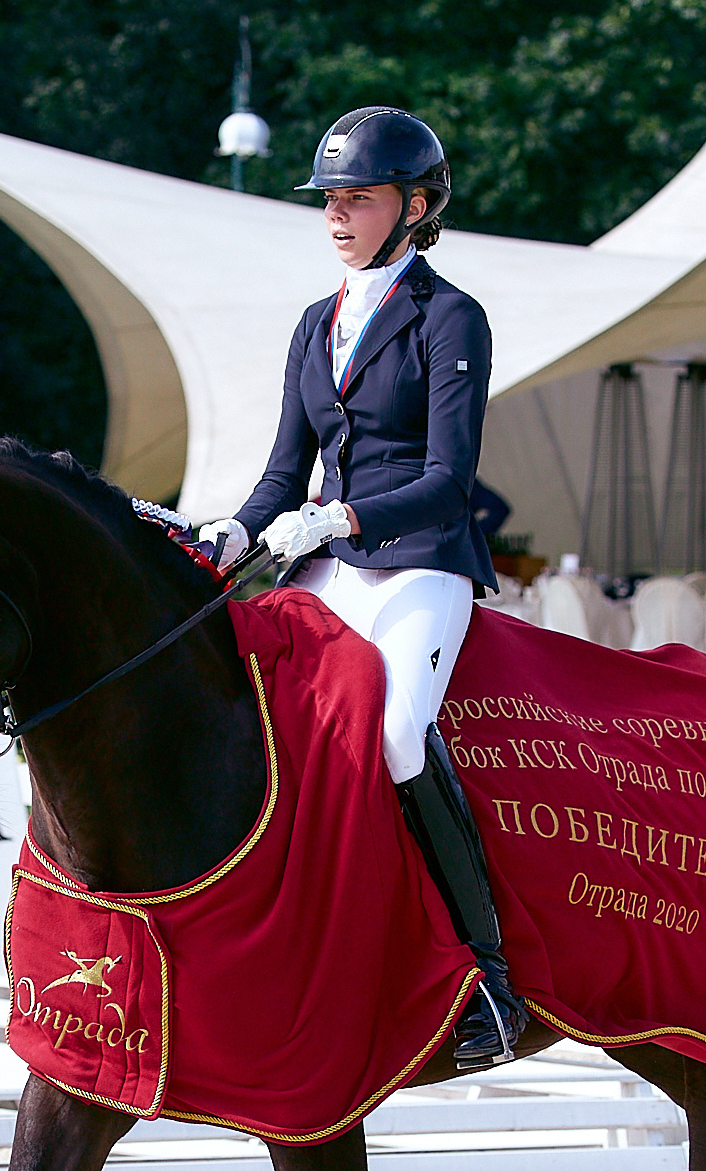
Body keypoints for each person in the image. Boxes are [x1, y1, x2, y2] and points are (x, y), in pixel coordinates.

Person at [195, 106, 523, 1070]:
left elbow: (451, 478)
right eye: (330, 201)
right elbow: (281, 468)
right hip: (323, 564)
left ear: (414, 207)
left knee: (390, 735)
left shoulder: (450, 317)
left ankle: (488, 978)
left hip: (417, 563)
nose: (337, 216)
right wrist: (234, 528)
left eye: (358, 200)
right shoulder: (314, 322)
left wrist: (338, 519)